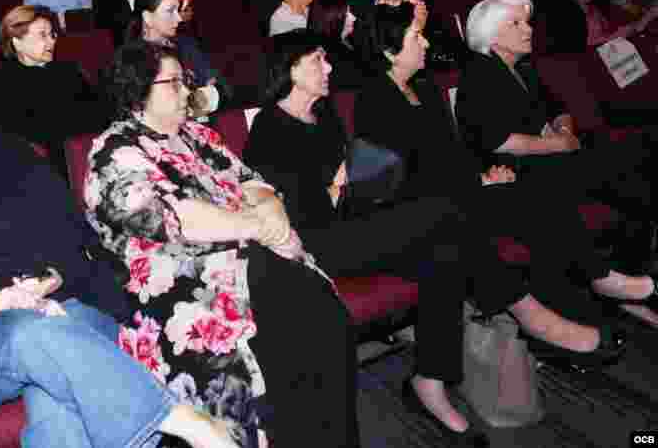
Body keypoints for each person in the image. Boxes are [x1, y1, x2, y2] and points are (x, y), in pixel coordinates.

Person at [244, 30, 619, 442]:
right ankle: (528, 311)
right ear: (290, 70)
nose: (329, 67)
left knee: (444, 250)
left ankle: (431, 381)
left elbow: (346, 187)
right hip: (313, 246)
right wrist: (343, 189)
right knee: (442, 214)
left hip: (357, 223)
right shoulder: (268, 128)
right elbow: (300, 214)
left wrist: (347, 188)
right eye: (317, 60)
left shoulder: (325, 114)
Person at [0, 59, 238, 448]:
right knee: (39, 337)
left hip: (53, 309)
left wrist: (51, 277)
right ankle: (187, 423)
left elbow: (64, 228)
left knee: (60, 387)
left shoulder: (3, 154)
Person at [86, 40, 358, 447]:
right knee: (285, 334)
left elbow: (254, 182)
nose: (186, 92)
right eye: (173, 83)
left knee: (324, 317)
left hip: (248, 256)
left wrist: (277, 223)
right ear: (137, 90)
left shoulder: (196, 134)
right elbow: (176, 219)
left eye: (186, 81)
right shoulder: (113, 151)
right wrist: (262, 228)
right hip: (181, 281)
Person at [356, 2, 650, 330]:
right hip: (421, 200)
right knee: (532, 194)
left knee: (541, 193)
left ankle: (588, 294)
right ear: (389, 52)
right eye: (416, 38)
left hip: (460, 184)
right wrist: (476, 179)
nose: (426, 43)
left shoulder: (425, 87)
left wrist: (481, 174)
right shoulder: (375, 99)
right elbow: (402, 174)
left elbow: (451, 150)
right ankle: (579, 299)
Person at [456, 0, 658, 324]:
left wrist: (563, 128)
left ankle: (628, 277)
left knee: (632, 161)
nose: (528, 30)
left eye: (527, 22)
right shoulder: (478, 75)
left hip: (551, 157)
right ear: (492, 36)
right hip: (514, 170)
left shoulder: (523, 67)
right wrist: (559, 145)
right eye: (517, 24)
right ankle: (604, 278)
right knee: (578, 178)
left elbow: (558, 107)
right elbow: (501, 142)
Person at [0, 6, 104, 174]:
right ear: (17, 42)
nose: (52, 41)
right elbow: (22, 137)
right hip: (44, 166)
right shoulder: (3, 83)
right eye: (42, 35)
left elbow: (98, 112)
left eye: (52, 34)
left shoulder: (68, 70)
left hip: (89, 153)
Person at [128, 0, 222, 117]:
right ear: (147, 17)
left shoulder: (185, 43)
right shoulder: (133, 59)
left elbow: (214, 85)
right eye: (170, 11)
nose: (178, 18)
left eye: (177, 11)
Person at [305, 0, 365, 90]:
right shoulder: (329, 59)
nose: (353, 18)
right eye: (347, 14)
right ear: (331, 18)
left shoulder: (348, 39)